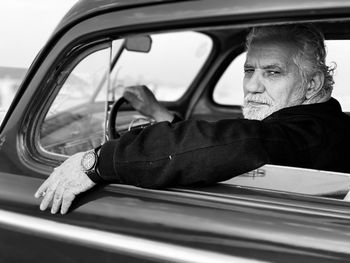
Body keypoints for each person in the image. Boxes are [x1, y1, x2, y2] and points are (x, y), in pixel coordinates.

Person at [35, 24, 350, 214]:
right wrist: (162, 117)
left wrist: (96, 162)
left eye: (273, 72)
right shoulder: (326, 124)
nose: (253, 86)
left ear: (312, 84)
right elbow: (228, 138)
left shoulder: (308, 133)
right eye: (249, 70)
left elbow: (236, 143)